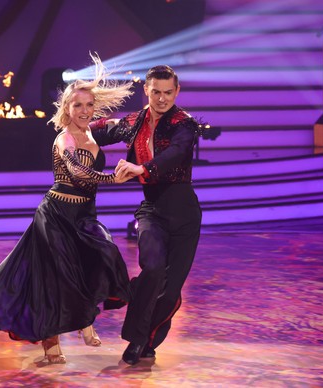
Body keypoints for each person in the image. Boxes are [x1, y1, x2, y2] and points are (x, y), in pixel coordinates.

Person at [0, 53, 134, 364]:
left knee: (103, 258)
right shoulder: (64, 138)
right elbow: (78, 172)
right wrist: (112, 178)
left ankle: (84, 319)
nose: (84, 110)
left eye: (88, 105)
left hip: (84, 216)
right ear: (67, 109)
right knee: (52, 281)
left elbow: (124, 129)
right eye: (77, 105)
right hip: (55, 216)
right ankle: (52, 347)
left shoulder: (94, 136)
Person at [91, 64, 203, 365]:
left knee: (169, 292)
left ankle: (146, 340)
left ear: (177, 91)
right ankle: (137, 336)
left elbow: (176, 153)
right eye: (156, 92)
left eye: (168, 92)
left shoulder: (185, 124)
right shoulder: (134, 122)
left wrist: (143, 169)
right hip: (152, 211)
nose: (162, 98)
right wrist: (72, 126)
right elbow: (101, 131)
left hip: (185, 216)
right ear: (147, 91)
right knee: (152, 269)